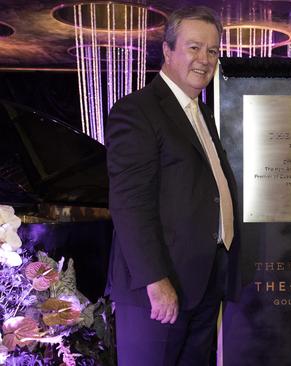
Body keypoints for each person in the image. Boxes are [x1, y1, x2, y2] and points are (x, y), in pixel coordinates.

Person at [105, 6, 239, 365]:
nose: (204, 59)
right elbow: (130, 205)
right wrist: (156, 280)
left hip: (204, 280)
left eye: (212, 51)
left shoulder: (201, 112)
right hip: (160, 290)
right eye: (194, 47)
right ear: (167, 51)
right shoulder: (138, 111)